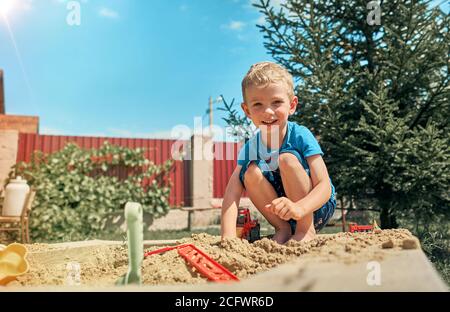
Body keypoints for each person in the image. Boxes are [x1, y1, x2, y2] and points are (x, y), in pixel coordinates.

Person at [221, 62, 336, 244]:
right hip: (283, 213)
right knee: (249, 172)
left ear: (292, 105)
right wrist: (227, 237)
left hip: (314, 209)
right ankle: (283, 229)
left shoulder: (300, 135)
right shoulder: (251, 147)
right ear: (247, 111)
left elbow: (324, 186)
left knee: (287, 159)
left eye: (276, 102)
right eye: (258, 104)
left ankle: (305, 230)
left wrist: (300, 208)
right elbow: (231, 194)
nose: (268, 111)